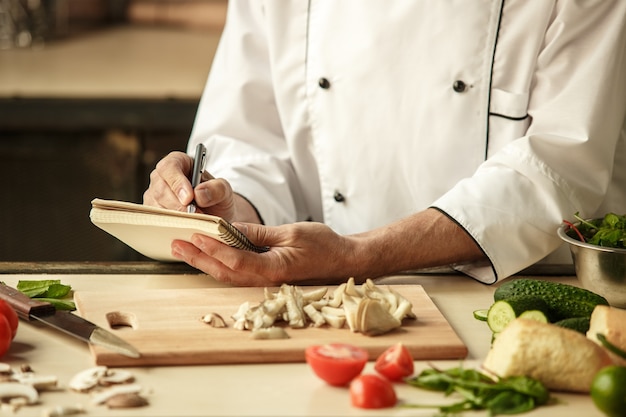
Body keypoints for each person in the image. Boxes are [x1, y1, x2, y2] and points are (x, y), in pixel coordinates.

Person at [144, 1, 626, 287]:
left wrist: (356, 254)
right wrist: (224, 206)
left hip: (517, 294)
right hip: (323, 298)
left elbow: (558, 167)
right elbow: (253, 137)